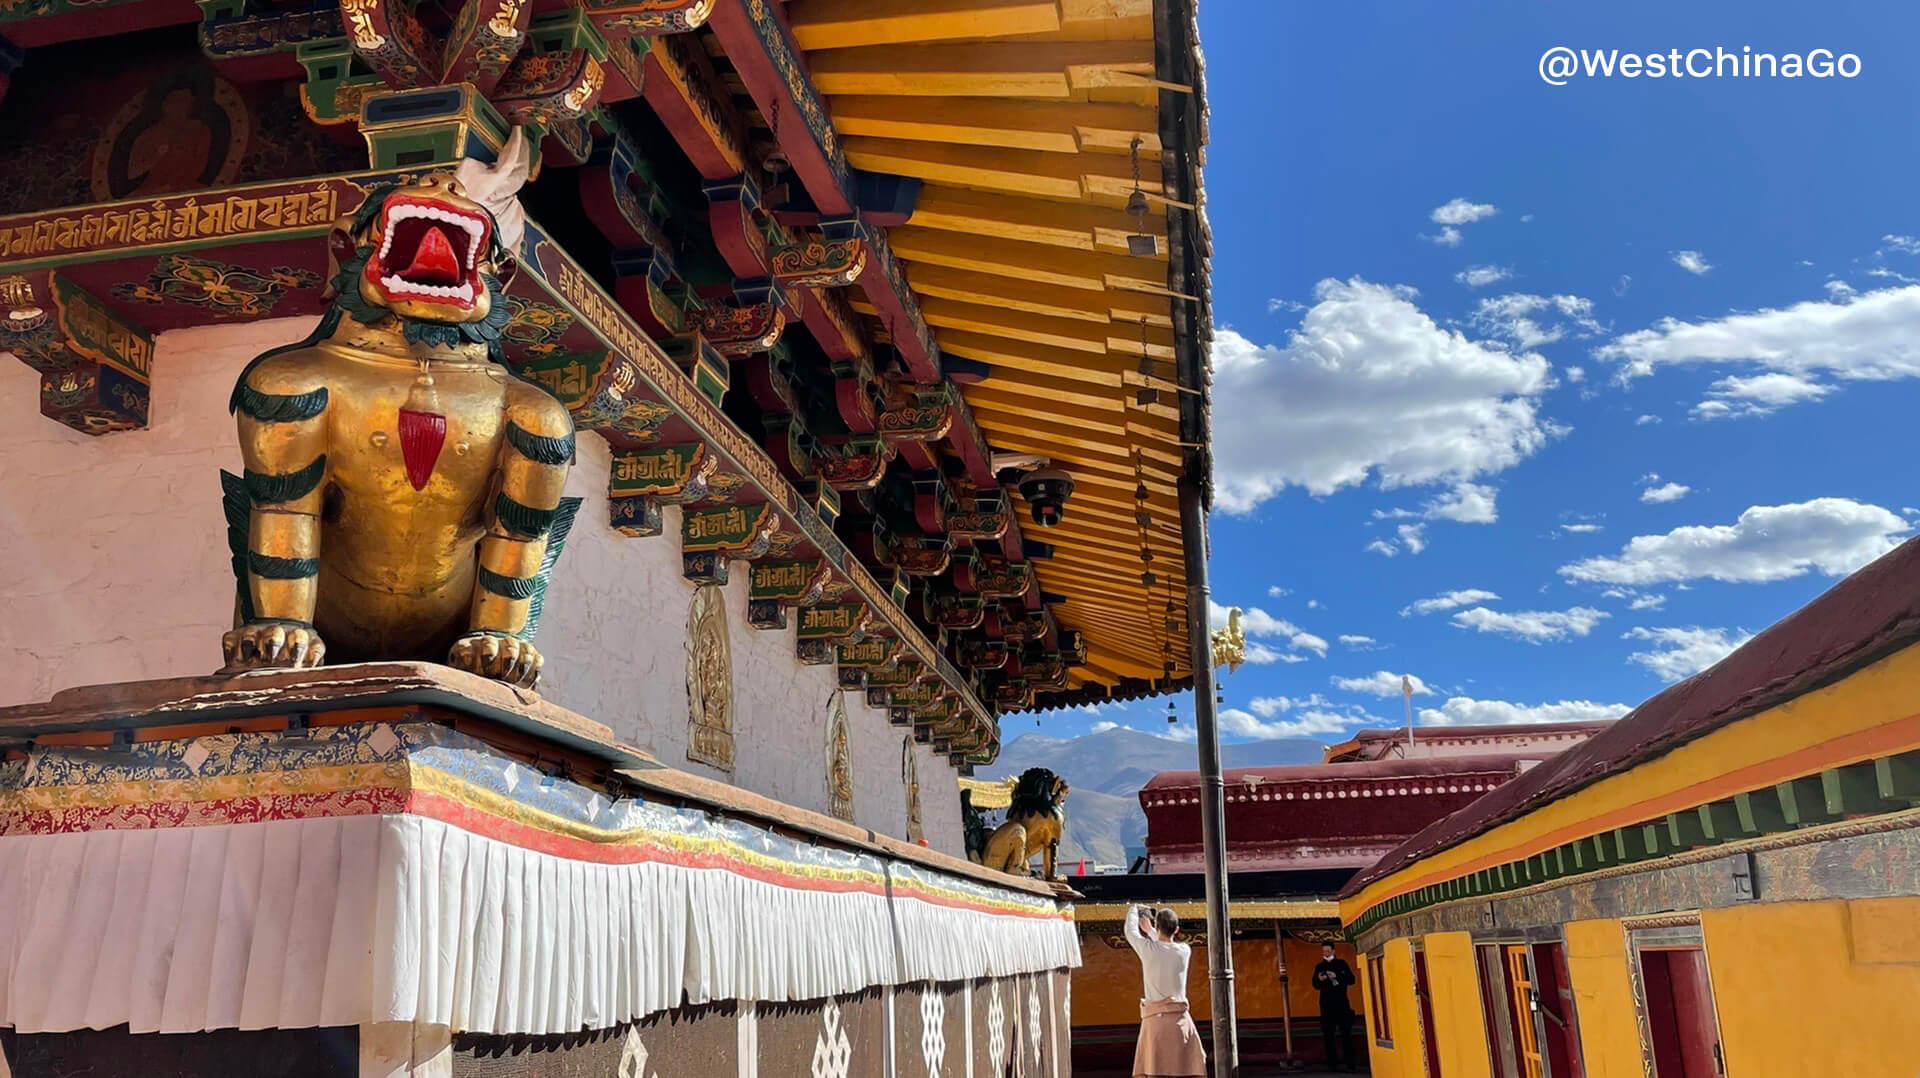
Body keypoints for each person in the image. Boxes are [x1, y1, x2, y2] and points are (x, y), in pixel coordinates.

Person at [1123, 905, 1206, 1077]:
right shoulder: (1185, 951)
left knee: (1154, 1072)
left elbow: (1130, 932)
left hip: (1155, 1024)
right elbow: (1167, 945)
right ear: (1177, 930)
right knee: (1185, 1072)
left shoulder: (1148, 950)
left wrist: (1134, 909)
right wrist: (1153, 931)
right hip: (1180, 1024)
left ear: (1157, 926)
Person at [1312, 943, 1359, 1071]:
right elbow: (1315, 985)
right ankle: (1332, 1064)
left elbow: (1351, 980)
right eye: (1324, 951)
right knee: (1328, 1036)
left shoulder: (1342, 964)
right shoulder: (1320, 967)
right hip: (1326, 1005)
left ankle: (1350, 1064)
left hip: (1342, 1004)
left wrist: (1337, 976)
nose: (1326, 953)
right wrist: (1320, 980)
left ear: (1333, 950)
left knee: (1346, 1035)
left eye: (1328, 950)